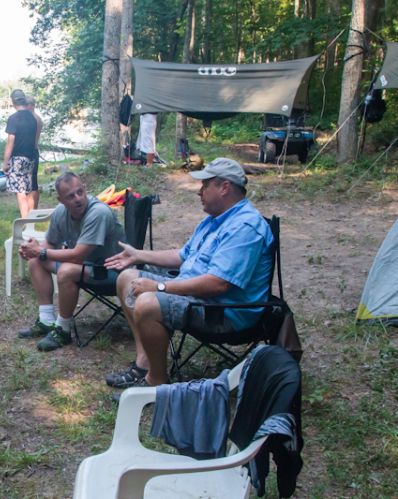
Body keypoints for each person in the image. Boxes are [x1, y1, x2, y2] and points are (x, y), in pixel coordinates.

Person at [104, 158, 274, 387]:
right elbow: (182, 256)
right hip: (196, 295)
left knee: (148, 302)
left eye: (205, 185)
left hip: (222, 311)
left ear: (225, 187)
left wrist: (160, 287)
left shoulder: (244, 227)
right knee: (127, 278)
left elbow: (218, 284)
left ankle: (156, 382)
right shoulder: (215, 220)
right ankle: (144, 364)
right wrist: (138, 255)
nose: (199, 192)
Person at [17, 172, 125, 352]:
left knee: (67, 270)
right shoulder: (61, 212)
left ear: (85, 189)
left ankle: (63, 330)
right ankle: (46, 320)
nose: (78, 199)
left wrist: (41, 251)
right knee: (36, 261)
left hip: (112, 272)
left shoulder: (98, 213)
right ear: (61, 200)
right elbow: (50, 243)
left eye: (80, 192)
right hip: (86, 267)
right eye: (70, 196)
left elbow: (77, 256)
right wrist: (32, 250)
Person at [3, 89, 38, 218]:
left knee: (20, 192)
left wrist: (5, 163)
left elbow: (10, 142)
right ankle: (30, 219)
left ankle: (25, 221)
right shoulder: (33, 118)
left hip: (17, 159)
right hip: (30, 158)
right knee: (28, 190)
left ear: (13, 102)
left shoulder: (13, 118)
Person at [26, 96, 44, 211]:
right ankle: (32, 208)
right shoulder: (38, 118)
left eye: (26, 105)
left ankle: (33, 208)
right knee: (32, 182)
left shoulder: (33, 119)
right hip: (34, 151)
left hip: (31, 151)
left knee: (32, 183)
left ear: (32, 106)